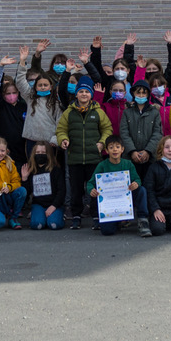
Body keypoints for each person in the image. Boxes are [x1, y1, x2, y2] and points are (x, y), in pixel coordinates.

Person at [55, 76, 112, 230]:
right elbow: (61, 130)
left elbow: (107, 129)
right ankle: (76, 217)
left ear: (91, 94)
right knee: (76, 190)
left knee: (94, 190)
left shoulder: (98, 111)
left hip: (94, 158)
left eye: (87, 91)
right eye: (81, 91)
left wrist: (102, 142)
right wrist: (63, 140)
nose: (84, 94)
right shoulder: (69, 112)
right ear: (77, 94)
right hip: (75, 158)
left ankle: (96, 216)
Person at [87, 136, 151, 236]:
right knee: (107, 231)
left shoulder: (128, 164)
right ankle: (117, 221)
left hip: (126, 199)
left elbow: (137, 180)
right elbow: (90, 183)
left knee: (141, 190)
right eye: (111, 147)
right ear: (107, 150)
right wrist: (91, 190)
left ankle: (143, 220)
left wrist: (135, 184)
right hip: (110, 203)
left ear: (122, 149)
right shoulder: (102, 165)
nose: (115, 149)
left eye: (117, 147)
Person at [24, 141, 66, 231]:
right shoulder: (31, 170)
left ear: (49, 154)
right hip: (38, 204)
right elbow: (27, 192)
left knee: (54, 224)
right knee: (37, 225)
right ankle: (39, 215)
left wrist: (54, 206)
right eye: (38, 153)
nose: (40, 155)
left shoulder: (55, 170)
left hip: (54, 204)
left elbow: (61, 190)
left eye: (43, 153)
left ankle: (58, 216)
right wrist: (24, 179)